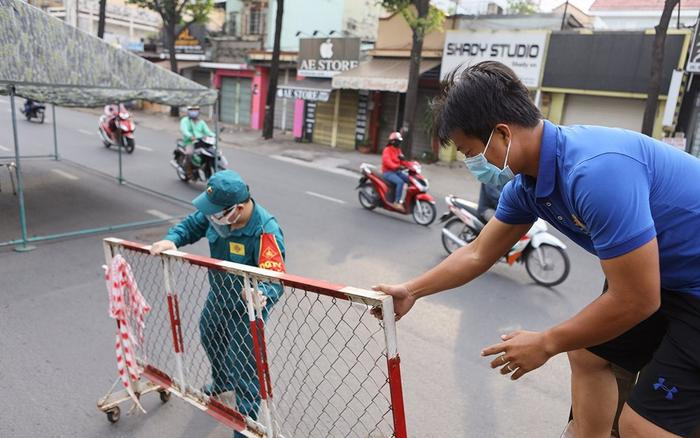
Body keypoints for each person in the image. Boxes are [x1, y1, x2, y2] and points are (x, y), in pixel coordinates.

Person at [373, 61, 700, 438]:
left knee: (640, 427)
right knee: (587, 353)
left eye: (469, 151)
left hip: (686, 288)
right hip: (663, 278)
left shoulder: (595, 173)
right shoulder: (528, 186)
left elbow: (638, 299)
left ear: (501, 134)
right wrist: (411, 290)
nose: (471, 165)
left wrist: (546, 342)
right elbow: (479, 252)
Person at [150, 170, 285, 437]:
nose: (213, 218)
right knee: (209, 335)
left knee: (244, 364)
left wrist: (263, 293)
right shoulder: (217, 215)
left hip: (248, 308)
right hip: (220, 294)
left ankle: (245, 424)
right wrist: (172, 239)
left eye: (219, 213)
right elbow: (190, 225)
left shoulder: (265, 229)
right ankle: (222, 381)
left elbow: (275, 275)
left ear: (239, 207)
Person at [180, 105, 215, 176]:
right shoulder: (185, 120)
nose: (194, 112)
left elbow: (207, 131)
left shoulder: (201, 122)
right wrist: (190, 136)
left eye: (195, 110)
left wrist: (214, 135)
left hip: (200, 141)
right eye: (192, 110)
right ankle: (188, 170)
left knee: (211, 152)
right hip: (189, 142)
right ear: (188, 111)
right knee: (189, 154)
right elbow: (184, 130)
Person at [381, 131, 410, 211]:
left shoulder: (398, 150)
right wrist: (397, 166)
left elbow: (403, 161)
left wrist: (410, 165)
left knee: (409, 180)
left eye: (399, 141)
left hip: (396, 171)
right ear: (393, 141)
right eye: (398, 141)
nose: (399, 143)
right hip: (388, 172)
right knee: (400, 182)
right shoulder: (387, 150)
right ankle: (396, 203)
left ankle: (407, 200)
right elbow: (387, 162)